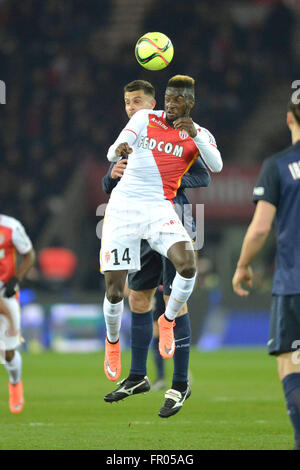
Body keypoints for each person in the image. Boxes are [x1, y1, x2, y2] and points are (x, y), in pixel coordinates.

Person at [100, 74, 223, 417]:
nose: (170, 103)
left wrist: (185, 156)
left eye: (177, 98)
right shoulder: (142, 123)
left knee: (174, 296)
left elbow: (211, 170)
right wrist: (114, 166)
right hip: (130, 214)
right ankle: (136, 374)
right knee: (135, 297)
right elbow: (112, 162)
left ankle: (180, 383)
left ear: (190, 103)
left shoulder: (196, 134)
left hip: (174, 212)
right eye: (167, 96)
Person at [232, 98, 300, 450]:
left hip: (293, 284)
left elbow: (260, 229)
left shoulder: (278, 165)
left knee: (291, 361)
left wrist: (243, 265)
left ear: (289, 118)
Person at [0, 213, 35, 414]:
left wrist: (17, 279)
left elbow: (30, 254)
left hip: (5, 292)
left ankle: (15, 383)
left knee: (8, 350)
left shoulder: (11, 227)